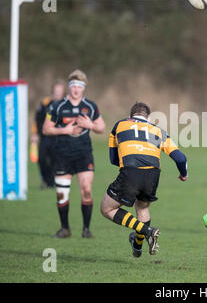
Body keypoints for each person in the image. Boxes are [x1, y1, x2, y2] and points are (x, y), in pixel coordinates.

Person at [100, 102, 188, 258]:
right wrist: (183, 174)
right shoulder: (158, 131)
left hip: (131, 171)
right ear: (148, 118)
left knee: (107, 209)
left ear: (130, 116)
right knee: (142, 207)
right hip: (153, 175)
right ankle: (137, 246)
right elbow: (181, 158)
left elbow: (113, 159)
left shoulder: (120, 125)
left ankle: (148, 231)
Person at [42, 70, 106, 239]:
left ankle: (86, 229)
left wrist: (90, 125)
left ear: (83, 88)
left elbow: (102, 127)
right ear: (68, 88)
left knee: (86, 190)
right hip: (62, 155)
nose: (76, 89)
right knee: (62, 193)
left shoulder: (91, 106)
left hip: (84, 154)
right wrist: (66, 130)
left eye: (79, 86)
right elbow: (45, 129)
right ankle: (65, 229)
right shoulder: (57, 106)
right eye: (73, 86)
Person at [31, 80, 65, 189]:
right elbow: (37, 119)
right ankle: (46, 180)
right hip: (45, 137)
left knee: (56, 160)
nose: (57, 94)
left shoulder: (66, 104)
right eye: (56, 91)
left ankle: (52, 182)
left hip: (59, 137)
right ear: (52, 91)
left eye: (60, 92)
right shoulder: (45, 103)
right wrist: (34, 134)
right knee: (41, 159)